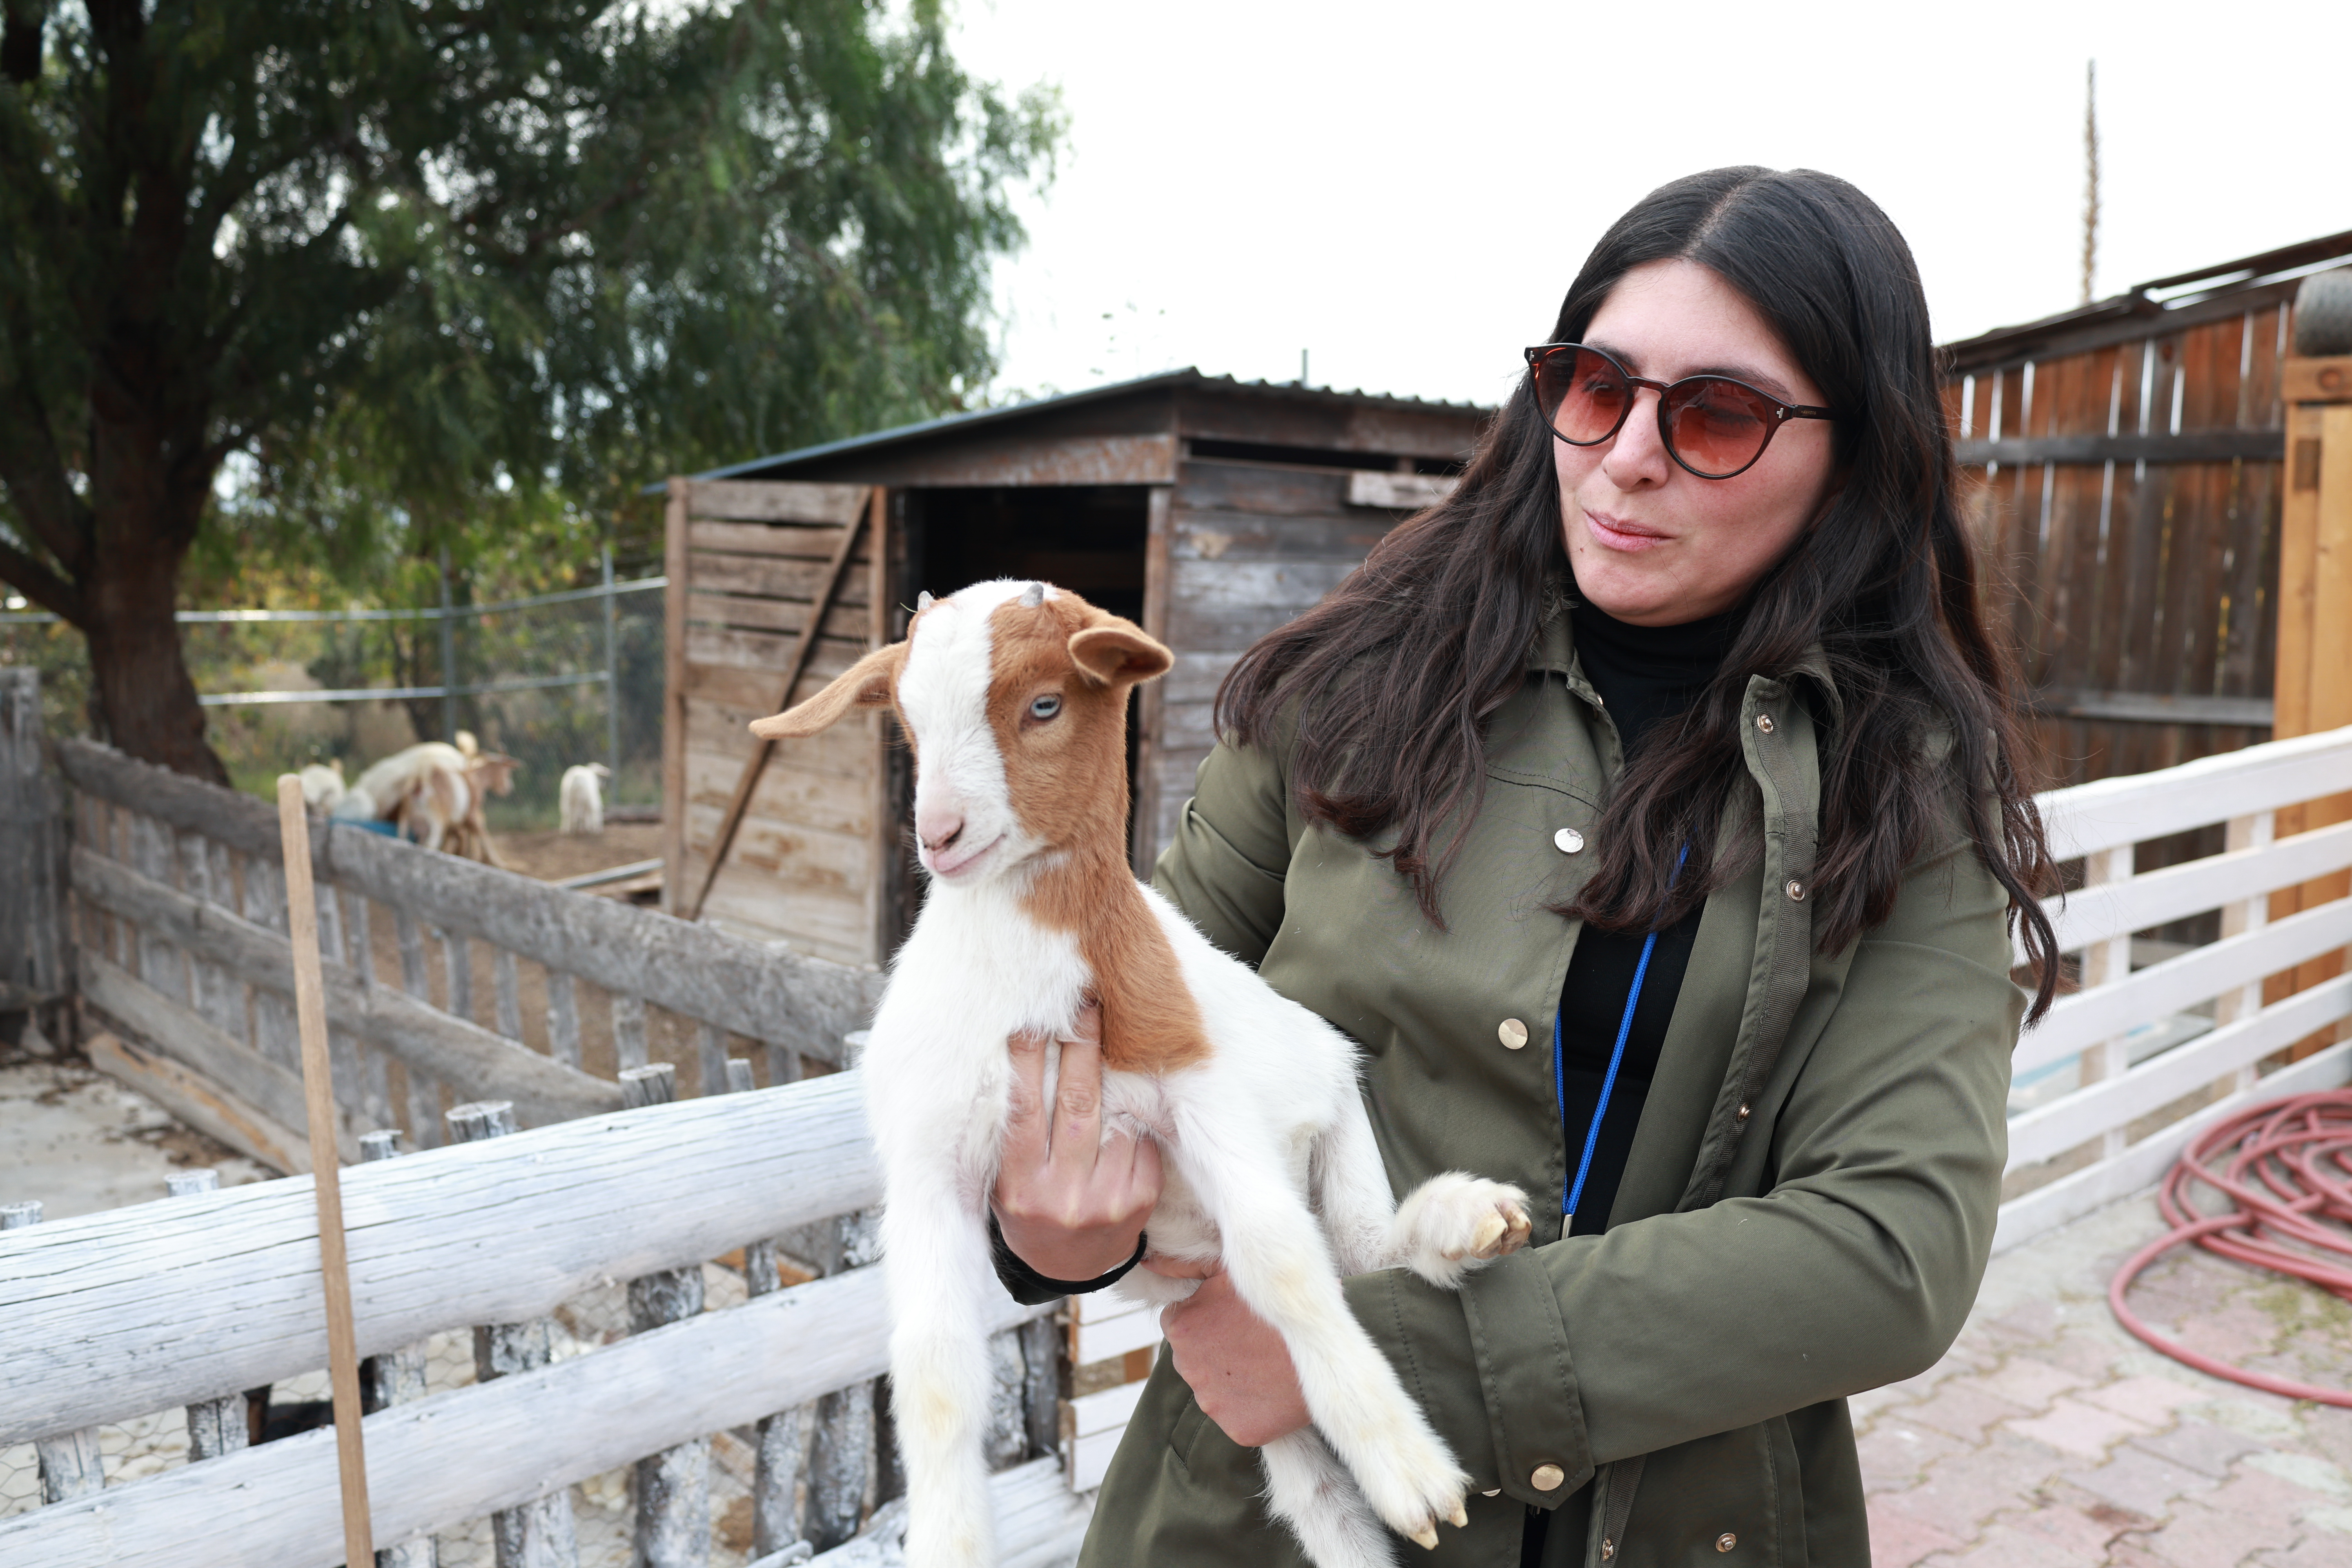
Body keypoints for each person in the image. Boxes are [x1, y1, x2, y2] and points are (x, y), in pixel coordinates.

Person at [989, 165, 2057, 1568]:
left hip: (1680, 1525)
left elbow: (1891, 1249)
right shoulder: (1351, 684)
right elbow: (1126, 1021)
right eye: (1594, 383)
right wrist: (1055, 1230)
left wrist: (1374, 1361)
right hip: (1263, 1519)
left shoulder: (1905, 787)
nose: (1625, 455)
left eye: (1718, 414)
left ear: (1857, 455)